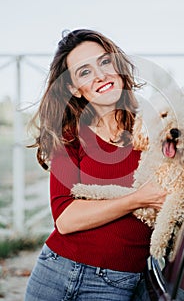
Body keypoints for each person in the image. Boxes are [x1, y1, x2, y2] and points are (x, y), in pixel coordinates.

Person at [24, 28, 167, 301]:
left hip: (115, 285)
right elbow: (65, 219)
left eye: (104, 62)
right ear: (73, 88)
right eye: (84, 72)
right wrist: (137, 199)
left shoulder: (157, 125)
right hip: (54, 272)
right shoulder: (68, 136)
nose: (100, 75)